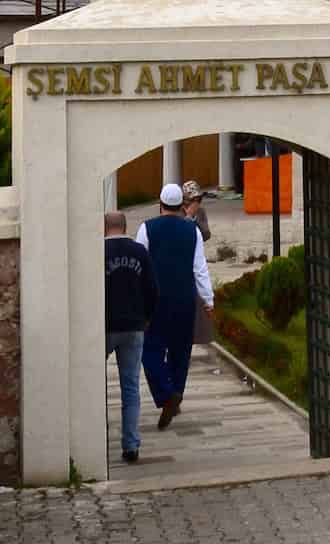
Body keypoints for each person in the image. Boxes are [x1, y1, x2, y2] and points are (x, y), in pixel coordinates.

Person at [137, 183, 214, 429]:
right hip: (184, 299)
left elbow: (140, 264)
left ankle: (166, 394)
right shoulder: (192, 232)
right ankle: (176, 395)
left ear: (160, 205)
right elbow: (199, 268)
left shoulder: (146, 228)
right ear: (182, 206)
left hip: (155, 300)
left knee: (150, 351)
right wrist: (208, 299)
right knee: (180, 352)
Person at [104, 210, 158, 464]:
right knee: (130, 387)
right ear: (125, 226)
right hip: (134, 326)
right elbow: (152, 289)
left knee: (93, 385)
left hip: (104, 327)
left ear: (104, 227)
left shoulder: (98, 253)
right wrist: (147, 318)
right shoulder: (140, 252)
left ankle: (93, 440)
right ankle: (131, 444)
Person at [182, 181, 214, 347]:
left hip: (196, 255)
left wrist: (194, 220)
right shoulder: (178, 212)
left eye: (199, 200)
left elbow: (207, 234)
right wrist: (187, 218)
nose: (198, 203)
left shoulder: (200, 212)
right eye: (195, 199)